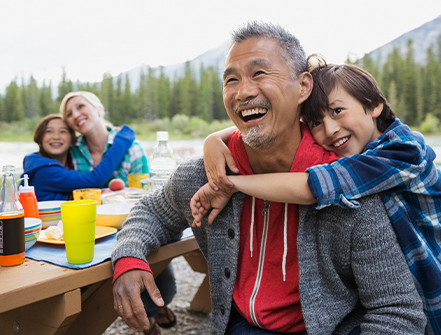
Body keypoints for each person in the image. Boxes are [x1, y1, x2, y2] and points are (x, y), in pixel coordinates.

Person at [111, 22, 426, 335]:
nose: (243, 91)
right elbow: (153, 210)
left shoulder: (349, 188)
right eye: (231, 80)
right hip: (242, 325)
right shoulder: (204, 175)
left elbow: (397, 312)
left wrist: (228, 181)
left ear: (303, 87)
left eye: (259, 73)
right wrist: (127, 257)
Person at [191, 58, 441, 334]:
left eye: (337, 111)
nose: (330, 130)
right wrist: (214, 139)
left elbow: (313, 188)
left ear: (374, 106)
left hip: (431, 285)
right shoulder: (369, 151)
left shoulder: (402, 152)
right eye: (316, 122)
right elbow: (279, 121)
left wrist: (233, 185)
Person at [22, 114, 135, 200]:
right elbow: (93, 180)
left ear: (72, 141)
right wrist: (122, 141)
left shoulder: (71, 163)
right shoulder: (44, 170)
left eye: (63, 131)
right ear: (39, 139)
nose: (56, 136)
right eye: (49, 131)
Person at [59, 91, 149, 187]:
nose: (75, 115)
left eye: (81, 106)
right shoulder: (70, 152)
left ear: (99, 110)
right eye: (69, 114)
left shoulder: (133, 149)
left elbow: (144, 194)